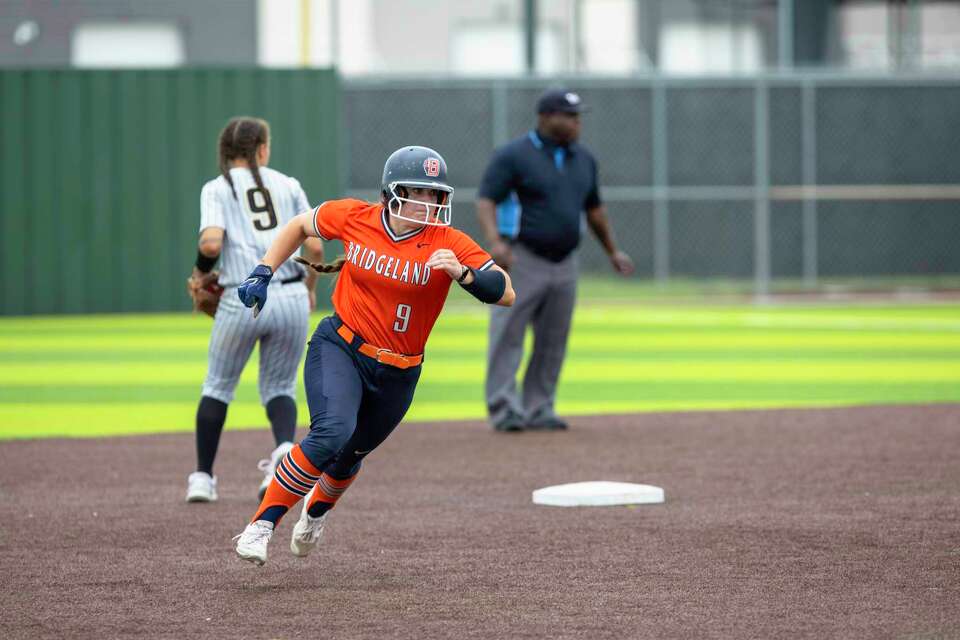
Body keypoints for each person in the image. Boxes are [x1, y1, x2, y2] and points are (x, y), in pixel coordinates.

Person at [231, 145, 515, 566]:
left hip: (400, 372)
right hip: (342, 346)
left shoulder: (448, 241)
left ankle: (315, 513)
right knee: (331, 433)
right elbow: (300, 225)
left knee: (350, 456)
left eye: (434, 193)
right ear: (392, 192)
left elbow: (506, 292)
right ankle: (261, 526)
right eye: (418, 191)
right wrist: (263, 270)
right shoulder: (355, 216)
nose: (429, 201)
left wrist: (465, 274)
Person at [476, 89, 634, 433]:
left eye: (578, 117)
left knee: (553, 340)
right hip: (522, 258)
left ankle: (539, 407)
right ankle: (504, 409)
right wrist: (495, 243)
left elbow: (595, 210)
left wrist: (612, 251)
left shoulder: (584, 159)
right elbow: (486, 200)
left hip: (565, 262)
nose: (577, 123)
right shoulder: (514, 155)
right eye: (570, 116)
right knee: (508, 334)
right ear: (546, 117)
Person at [185, 116, 324, 503]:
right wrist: (310, 289)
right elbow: (315, 246)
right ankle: (282, 455)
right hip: (291, 296)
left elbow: (211, 244)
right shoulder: (288, 184)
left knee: (218, 386)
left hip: (242, 296)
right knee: (280, 387)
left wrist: (199, 274)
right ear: (262, 149)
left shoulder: (217, 187)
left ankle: (203, 478)